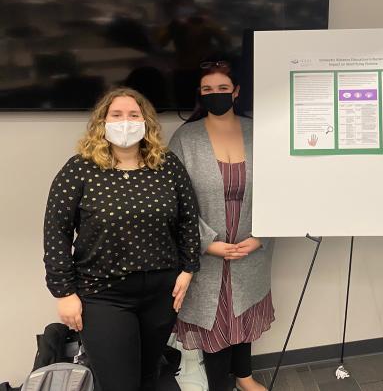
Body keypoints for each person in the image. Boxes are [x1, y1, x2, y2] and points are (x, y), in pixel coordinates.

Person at [43, 87, 200, 391]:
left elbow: (188, 218)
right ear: (102, 122)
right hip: (103, 295)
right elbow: (56, 232)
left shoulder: (167, 166)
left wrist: (188, 268)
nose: (125, 122)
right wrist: (63, 293)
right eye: (116, 115)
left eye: (133, 115)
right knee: (119, 383)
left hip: (161, 294)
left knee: (148, 375)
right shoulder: (79, 169)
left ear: (146, 122)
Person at [171, 60, 274, 391]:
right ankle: (220, 386)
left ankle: (244, 377)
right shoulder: (185, 138)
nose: (215, 95)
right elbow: (174, 200)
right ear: (200, 95)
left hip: (250, 246)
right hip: (208, 249)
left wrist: (261, 236)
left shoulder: (258, 131)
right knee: (215, 319)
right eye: (207, 90)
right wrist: (205, 243)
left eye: (222, 89)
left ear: (236, 92)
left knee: (242, 312)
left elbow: (281, 189)